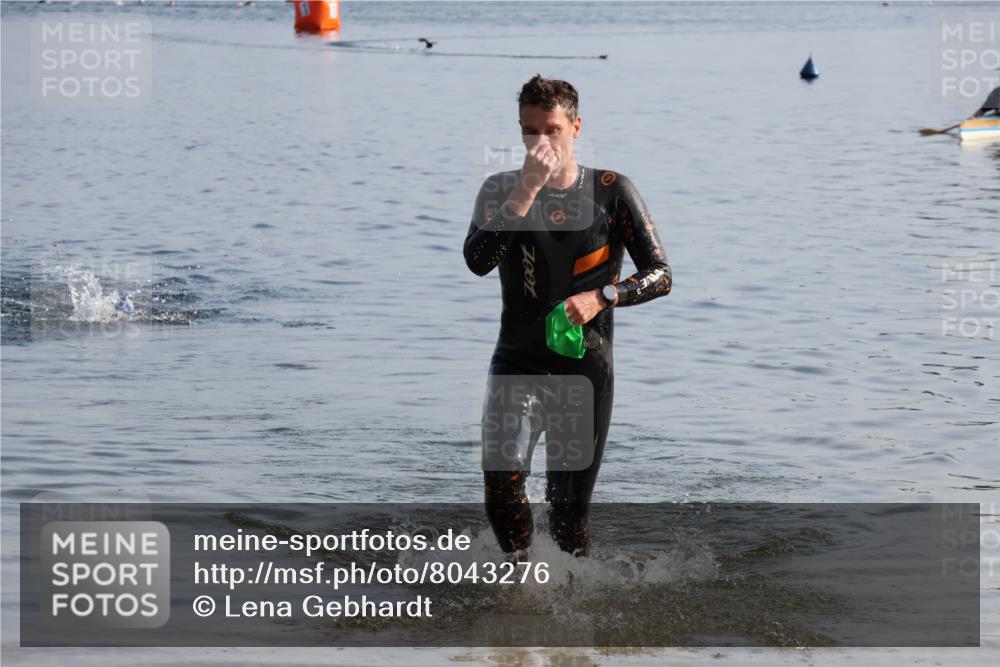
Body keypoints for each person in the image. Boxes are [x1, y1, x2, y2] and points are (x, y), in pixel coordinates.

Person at [463, 75, 672, 557]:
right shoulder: (499, 189)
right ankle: (524, 581)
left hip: (585, 369)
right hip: (517, 361)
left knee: (568, 517)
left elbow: (661, 275)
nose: (541, 143)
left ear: (576, 127)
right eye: (529, 131)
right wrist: (526, 190)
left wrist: (604, 296)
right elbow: (477, 261)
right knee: (501, 489)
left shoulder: (611, 191)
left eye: (552, 130)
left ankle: (572, 592)